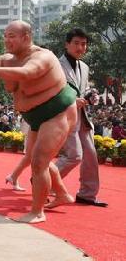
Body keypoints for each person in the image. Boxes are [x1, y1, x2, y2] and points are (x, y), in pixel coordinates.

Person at [0, 20, 77, 223]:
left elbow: (28, 73)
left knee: (39, 162)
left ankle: (37, 211)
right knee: (37, 158)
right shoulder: (7, 60)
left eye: (12, 36)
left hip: (57, 111)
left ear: (26, 37)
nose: (7, 40)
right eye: (5, 36)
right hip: (34, 116)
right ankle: (62, 194)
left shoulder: (44, 56)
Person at [54, 28, 108, 207]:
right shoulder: (55, 64)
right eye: (76, 43)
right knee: (74, 156)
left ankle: (87, 194)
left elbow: (82, 89)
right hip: (63, 115)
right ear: (67, 44)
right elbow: (51, 91)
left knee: (91, 156)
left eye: (84, 44)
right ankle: (43, 180)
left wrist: (91, 95)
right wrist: (70, 100)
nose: (80, 47)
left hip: (82, 116)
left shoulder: (84, 67)